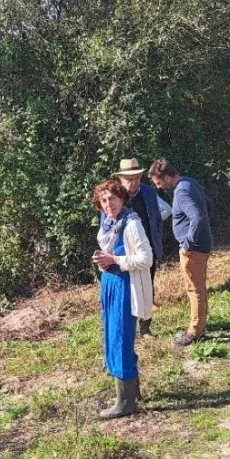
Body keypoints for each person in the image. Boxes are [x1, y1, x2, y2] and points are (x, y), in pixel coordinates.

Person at [92, 179, 154, 418]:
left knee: (120, 339)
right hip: (110, 284)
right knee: (111, 336)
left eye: (113, 199)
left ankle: (125, 403)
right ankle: (132, 392)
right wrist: (103, 260)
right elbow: (109, 250)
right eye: (104, 200)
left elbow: (146, 258)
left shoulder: (131, 223)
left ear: (122, 199)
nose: (109, 204)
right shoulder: (108, 222)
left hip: (126, 287)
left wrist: (115, 261)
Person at [150, 158, 213, 347]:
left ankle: (195, 332)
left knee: (195, 290)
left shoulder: (182, 191)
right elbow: (208, 206)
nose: (160, 188)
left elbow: (198, 216)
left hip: (193, 249)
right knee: (197, 288)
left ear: (168, 177)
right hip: (200, 245)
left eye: (159, 183)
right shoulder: (189, 182)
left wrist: (187, 242)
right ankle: (199, 327)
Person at [114, 158, 164, 338]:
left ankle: (145, 329)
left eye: (136, 178)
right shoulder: (114, 197)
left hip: (147, 251)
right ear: (120, 180)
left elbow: (157, 218)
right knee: (127, 291)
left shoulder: (149, 193)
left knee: (146, 288)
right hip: (123, 254)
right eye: (129, 180)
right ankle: (126, 329)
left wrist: (156, 240)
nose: (133, 183)